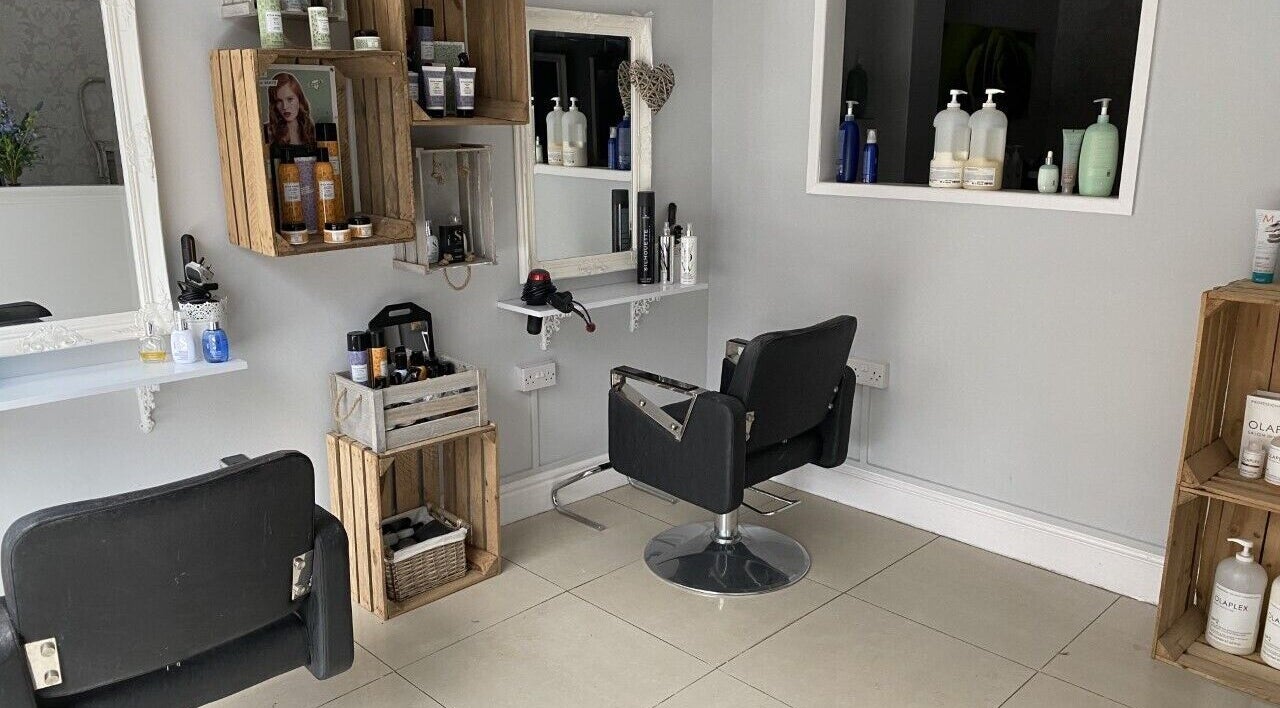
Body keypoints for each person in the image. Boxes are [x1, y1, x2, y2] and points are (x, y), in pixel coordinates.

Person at [267, 72, 315, 146]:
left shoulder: (312, 130)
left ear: (299, 99)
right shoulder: (268, 132)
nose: (285, 107)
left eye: (290, 99)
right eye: (279, 101)